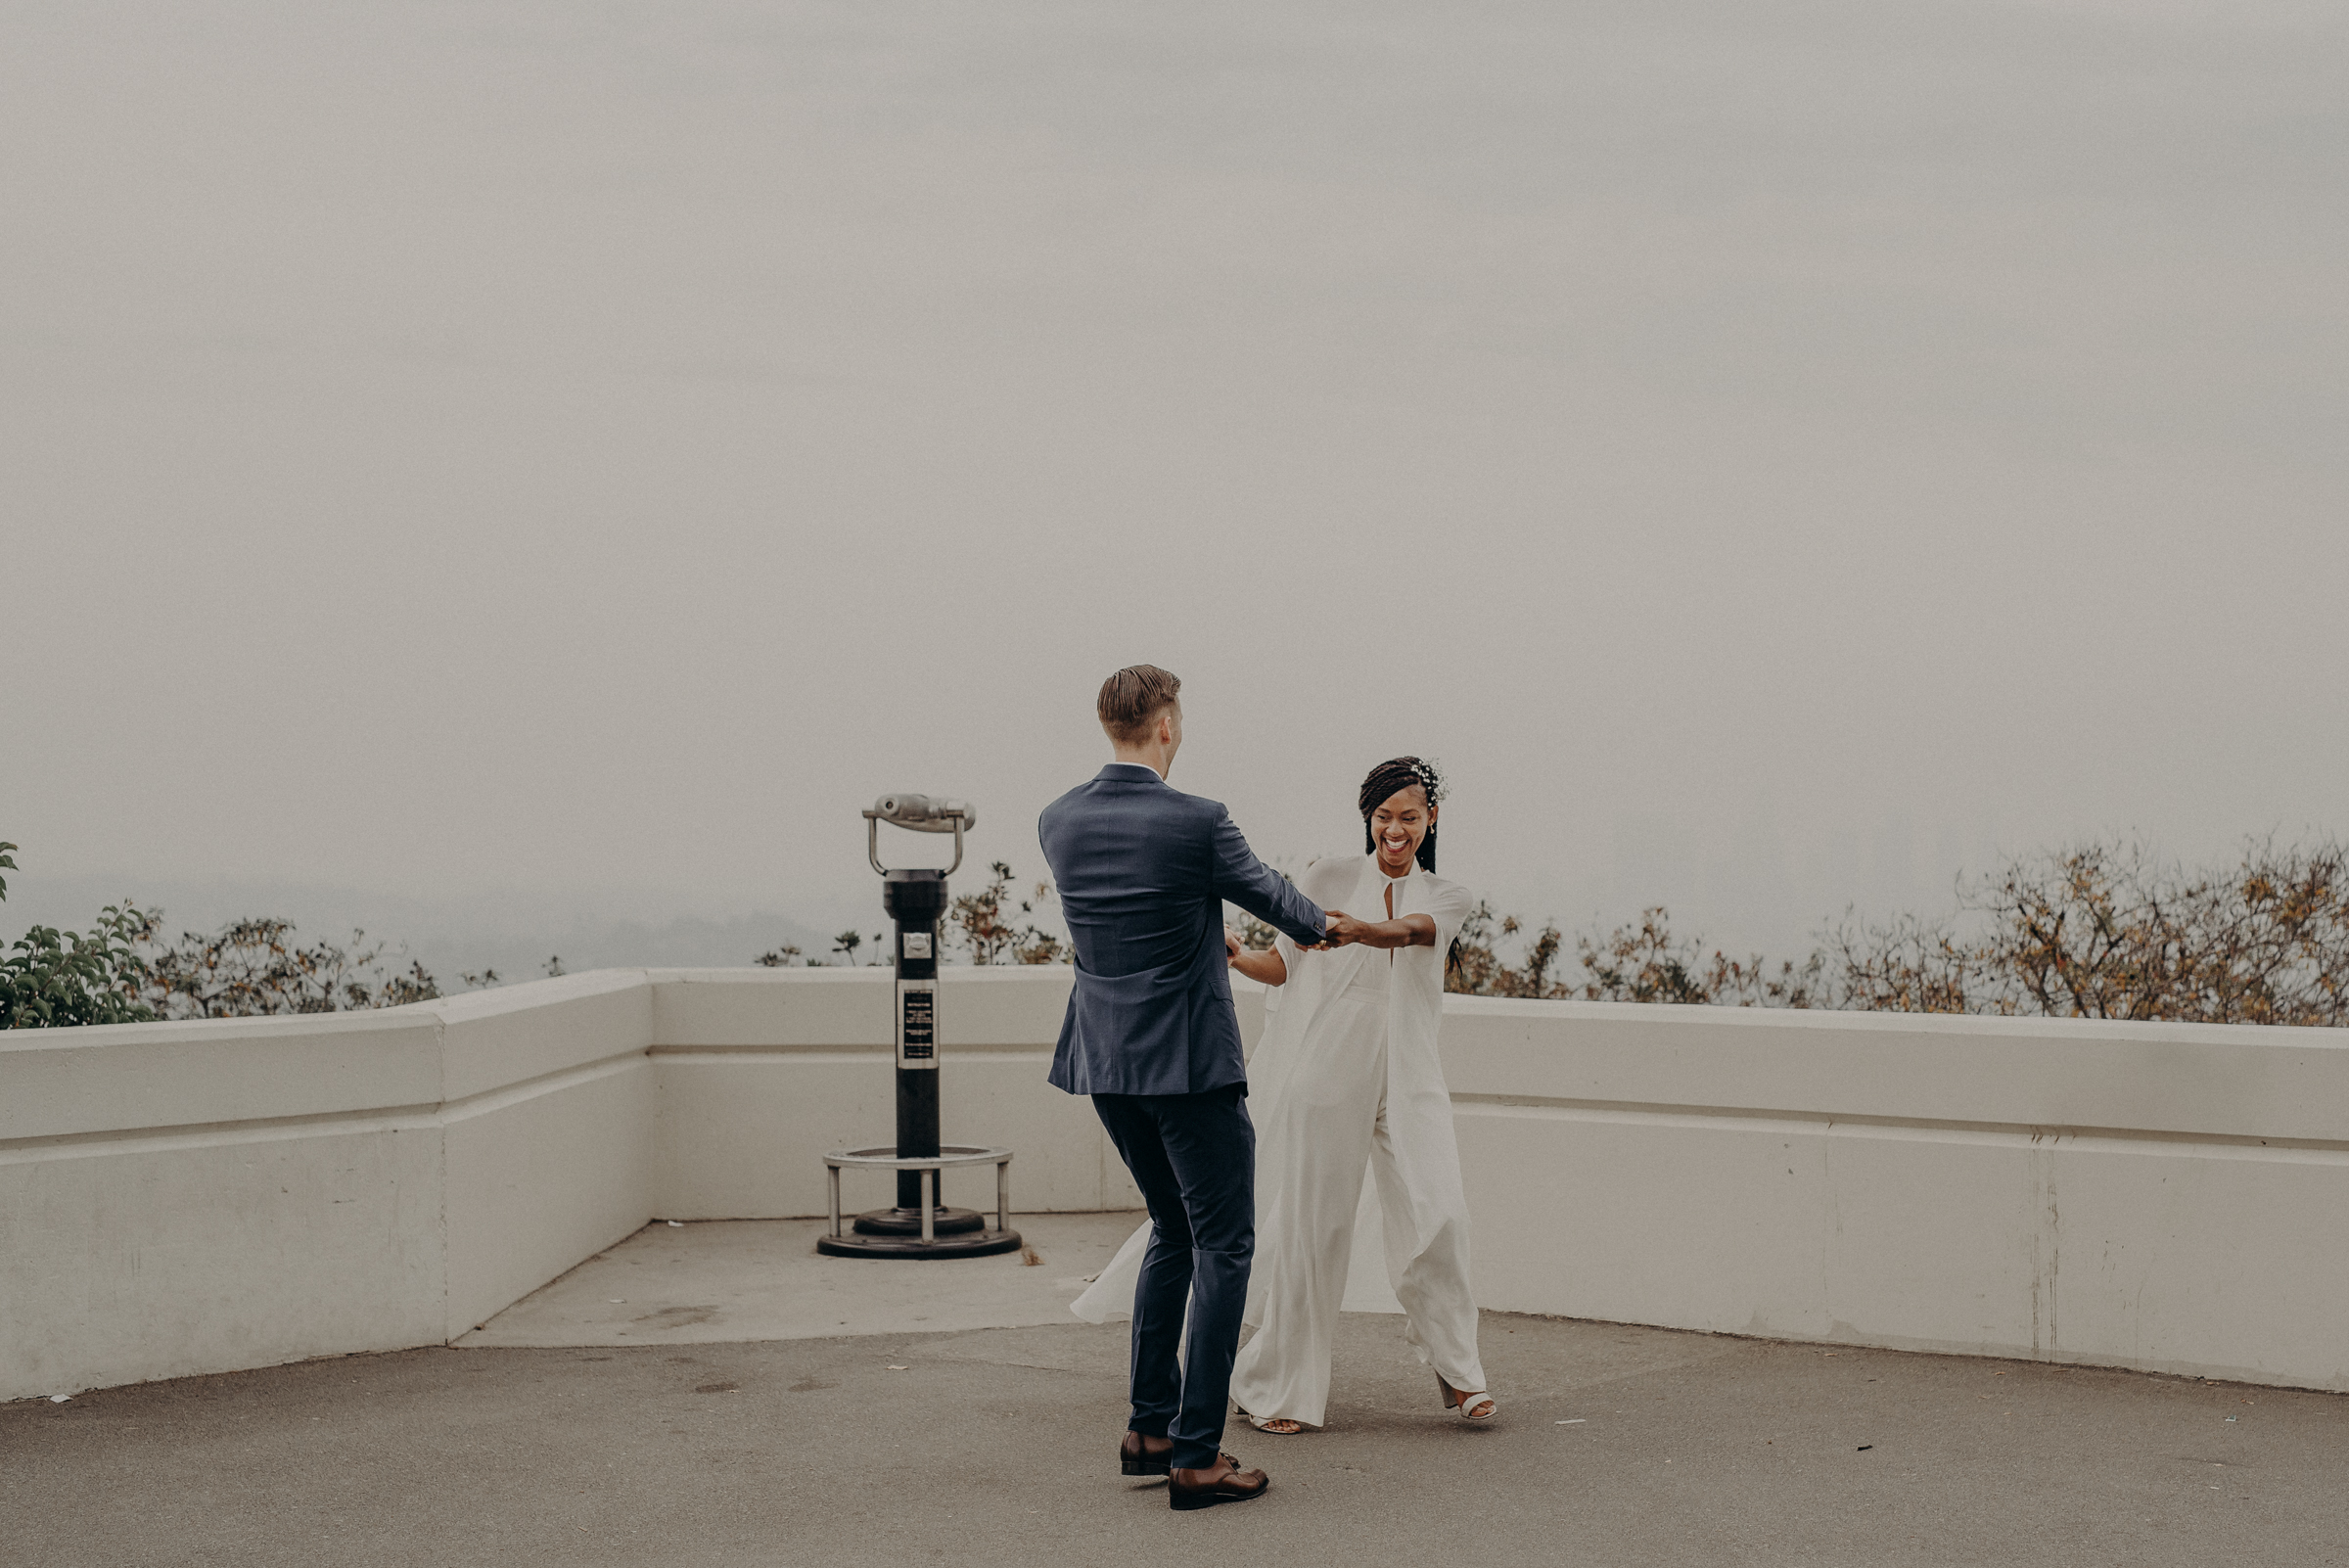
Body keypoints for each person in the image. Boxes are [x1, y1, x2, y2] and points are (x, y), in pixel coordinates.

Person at [1073, 756, 1495, 1433]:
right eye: (1384, 816)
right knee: (1314, 1234)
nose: (1395, 829)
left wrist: (1358, 930)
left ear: (1430, 820)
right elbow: (1283, 968)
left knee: (1440, 1214)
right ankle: (1276, 1388)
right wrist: (1236, 955)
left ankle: (1457, 1369)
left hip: (1410, 1078)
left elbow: (1411, 933)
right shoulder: (1328, 877)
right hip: (1326, 1077)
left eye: (1409, 817)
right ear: (1369, 818)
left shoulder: (1448, 895)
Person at [1038, 666, 1366, 1512]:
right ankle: (1195, 1455)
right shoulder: (1197, 821)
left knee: (1172, 1230)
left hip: (1107, 1065)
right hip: (1187, 1064)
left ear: (1110, 724)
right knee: (1225, 1243)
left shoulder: (1060, 820)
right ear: (1168, 727)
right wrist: (1337, 921)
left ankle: (1150, 1427)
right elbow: (1291, 912)